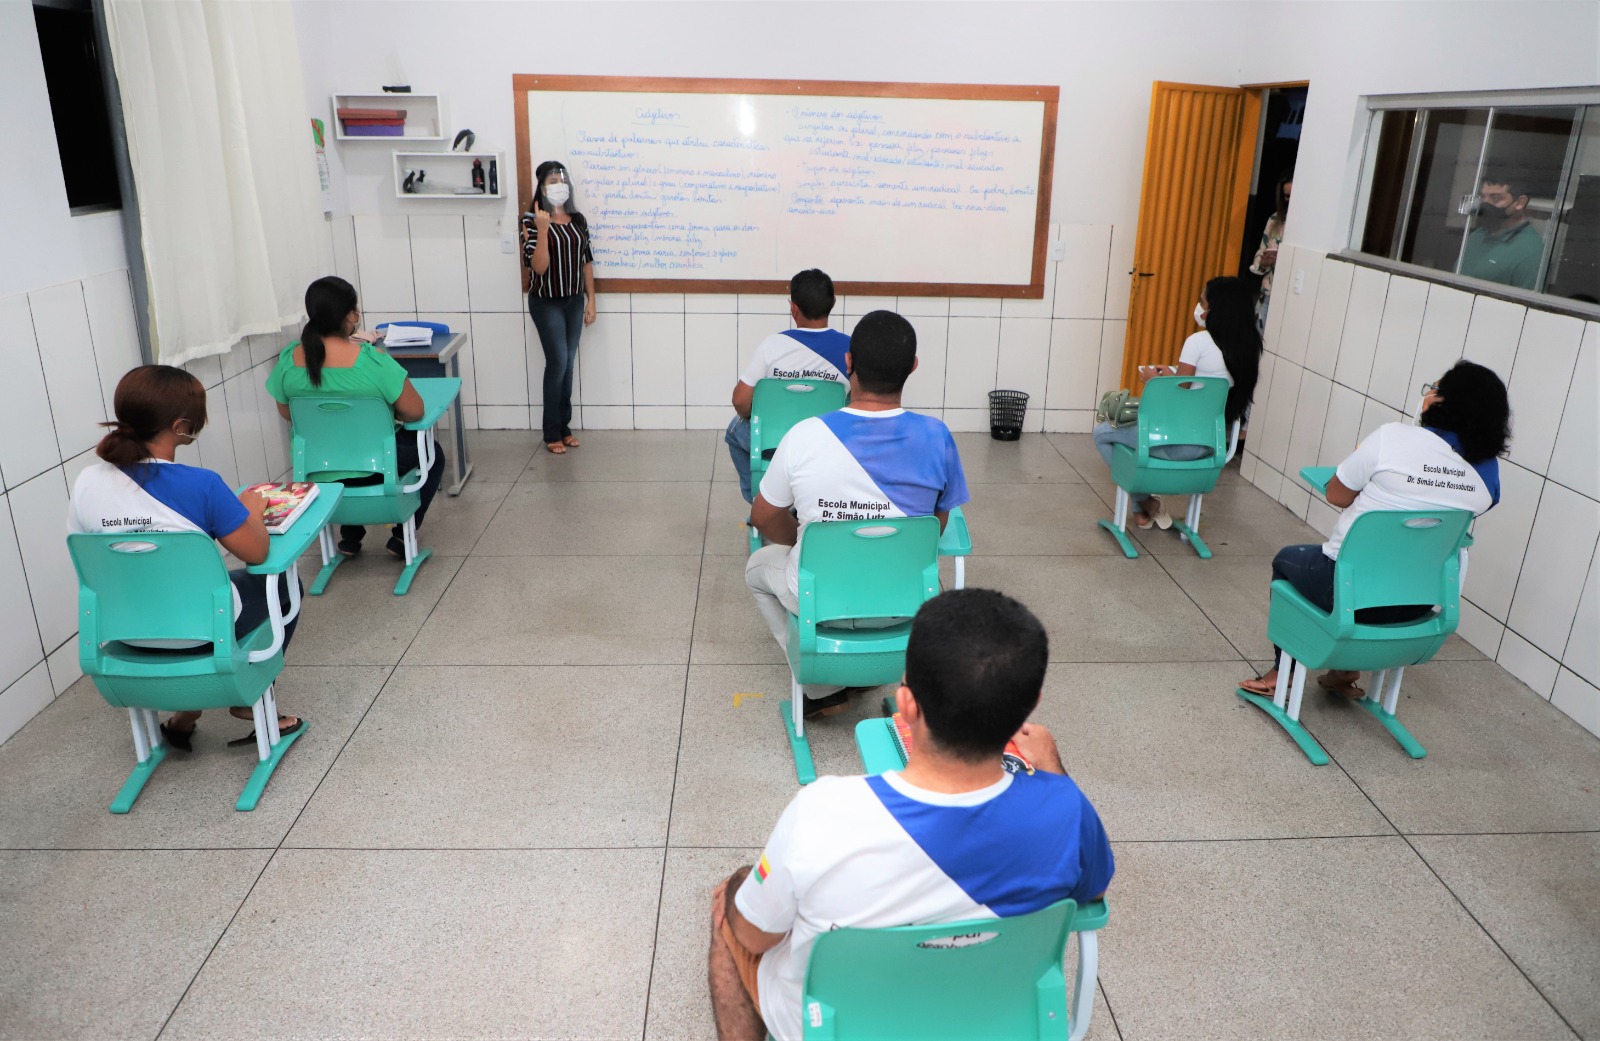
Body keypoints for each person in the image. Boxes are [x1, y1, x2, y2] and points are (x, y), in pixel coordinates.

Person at [708, 588, 1115, 1041]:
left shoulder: (822, 813)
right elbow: (1091, 890)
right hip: (984, 1020)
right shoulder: (1064, 809)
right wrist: (1054, 773)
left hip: (838, 1028)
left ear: (906, 701)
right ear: (1032, 703)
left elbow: (754, 938)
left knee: (733, 899)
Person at [1240, 360, 1510, 699]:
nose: (1427, 394)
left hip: (1347, 590)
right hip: (1416, 604)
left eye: (1435, 389)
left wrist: (1364, 460)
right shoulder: (1487, 475)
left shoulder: (1392, 438)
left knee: (1286, 560)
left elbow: (1337, 494)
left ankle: (1284, 671)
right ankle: (1341, 671)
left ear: (1444, 402)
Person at [68, 365, 304, 750]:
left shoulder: (87, 483)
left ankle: (186, 712)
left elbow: (91, 556)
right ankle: (250, 696)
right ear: (180, 426)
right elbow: (256, 553)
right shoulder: (203, 485)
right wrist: (252, 511)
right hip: (201, 630)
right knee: (284, 586)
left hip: (124, 631)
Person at [745, 310, 968, 717]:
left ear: (848, 363)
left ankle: (820, 688)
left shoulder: (806, 435)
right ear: (913, 367)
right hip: (906, 602)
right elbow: (936, 526)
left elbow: (762, 517)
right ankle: (887, 668)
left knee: (757, 568)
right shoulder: (938, 437)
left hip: (820, 597)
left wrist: (810, 544)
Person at [267, 276, 445, 560]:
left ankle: (350, 536)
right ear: (351, 315)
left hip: (316, 471)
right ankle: (402, 535)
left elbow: (288, 412)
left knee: (341, 449)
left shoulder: (289, 361)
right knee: (431, 453)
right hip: (378, 467)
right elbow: (415, 411)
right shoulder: (372, 360)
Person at [1093, 275, 1261, 529]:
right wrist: (1174, 377)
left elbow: (1175, 395)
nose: (1199, 307)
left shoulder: (1198, 342)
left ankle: (1144, 502)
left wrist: (1153, 380)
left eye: (1202, 302)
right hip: (1210, 446)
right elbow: (1201, 386)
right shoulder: (1249, 348)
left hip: (1171, 442)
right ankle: (1143, 508)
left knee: (1103, 433)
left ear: (1216, 309)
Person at [723, 269, 852, 503]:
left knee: (734, 431)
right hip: (827, 442)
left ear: (793, 308)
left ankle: (762, 503)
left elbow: (740, 401)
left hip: (774, 442)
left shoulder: (773, 345)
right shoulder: (850, 348)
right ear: (833, 302)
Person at [521, 160, 597, 455]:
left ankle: (564, 427)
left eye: (562, 179)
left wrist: (592, 299)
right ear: (541, 187)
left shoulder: (578, 220)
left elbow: (586, 261)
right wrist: (542, 229)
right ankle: (551, 431)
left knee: (567, 365)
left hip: (573, 301)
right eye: (552, 180)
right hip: (546, 302)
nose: (558, 185)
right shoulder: (530, 221)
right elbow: (539, 268)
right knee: (558, 363)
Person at [1458, 169, 1544, 291]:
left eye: (1496, 198)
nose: (1485, 205)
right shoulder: (1477, 236)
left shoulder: (1531, 252)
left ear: (1520, 202)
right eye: (1483, 197)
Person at [1248, 173, 1292, 334]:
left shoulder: (1305, 228)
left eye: (1293, 196)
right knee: (1258, 344)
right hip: (1268, 294)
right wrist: (1263, 262)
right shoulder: (1274, 220)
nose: (1289, 201)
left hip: (1290, 297)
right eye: (1286, 196)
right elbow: (1260, 254)